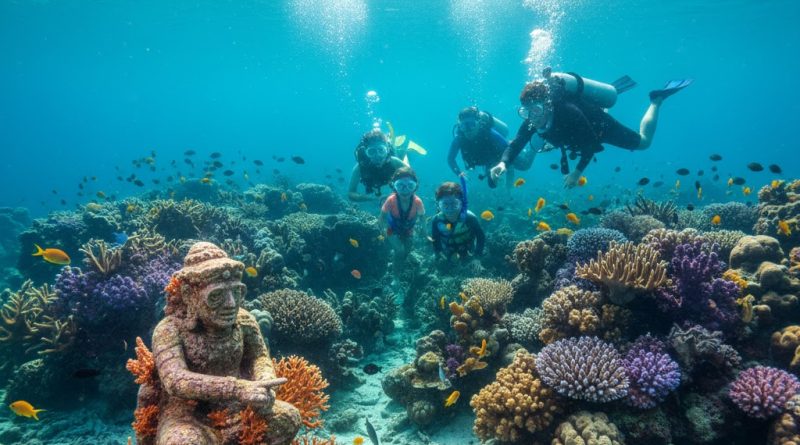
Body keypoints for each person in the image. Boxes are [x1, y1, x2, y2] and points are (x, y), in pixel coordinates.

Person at [136, 242, 301, 445]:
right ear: (189, 295)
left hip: (240, 409)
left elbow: (259, 357)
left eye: (237, 292)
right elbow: (175, 381)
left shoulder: (245, 321)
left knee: (289, 417)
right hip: (189, 417)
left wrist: (265, 382)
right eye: (216, 296)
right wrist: (237, 389)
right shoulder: (170, 329)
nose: (231, 303)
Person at [490, 70, 692, 188]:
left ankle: (656, 100)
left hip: (599, 127)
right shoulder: (532, 120)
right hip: (577, 134)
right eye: (526, 111)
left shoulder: (568, 111)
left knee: (644, 143)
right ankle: (603, 98)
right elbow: (517, 143)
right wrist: (503, 163)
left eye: (536, 110)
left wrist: (576, 173)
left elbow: (591, 144)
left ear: (548, 106)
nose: (532, 116)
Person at [447, 106, 515, 189]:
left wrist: (504, 164)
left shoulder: (488, 133)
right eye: (463, 126)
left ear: (478, 123)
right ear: (460, 126)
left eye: (471, 124)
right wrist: (459, 173)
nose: (468, 130)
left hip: (498, 156)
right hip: (488, 161)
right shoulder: (459, 139)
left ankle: (527, 150)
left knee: (523, 165)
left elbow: (508, 148)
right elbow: (450, 159)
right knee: (492, 184)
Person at [379, 167, 425, 271]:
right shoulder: (391, 200)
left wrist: (425, 233)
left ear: (415, 187)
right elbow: (381, 218)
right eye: (400, 185)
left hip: (408, 229)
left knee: (407, 249)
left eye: (410, 185)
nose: (405, 190)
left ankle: (398, 266)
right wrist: (385, 232)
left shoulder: (417, 202)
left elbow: (422, 217)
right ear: (393, 186)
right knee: (400, 250)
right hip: (391, 229)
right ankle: (395, 275)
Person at [430, 181, 485, 262]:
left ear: (462, 204)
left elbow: (480, 236)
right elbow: (435, 240)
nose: (450, 209)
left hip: (469, 253)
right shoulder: (436, 220)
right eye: (445, 205)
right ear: (438, 205)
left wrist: (477, 254)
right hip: (447, 255)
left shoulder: (470, 217)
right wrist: (439, 254)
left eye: (454, 204)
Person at [348, 128, 408, 202]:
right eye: (371, 151)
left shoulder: (394, 161)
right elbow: (351, 193)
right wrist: (369, 198)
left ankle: (402, 148)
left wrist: (397, 195)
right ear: (366, 152)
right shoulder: (360, 168)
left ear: (387, 150)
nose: (377, 156)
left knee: (401, 155)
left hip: (395, 164)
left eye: (381, 150)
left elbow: (412, 178)